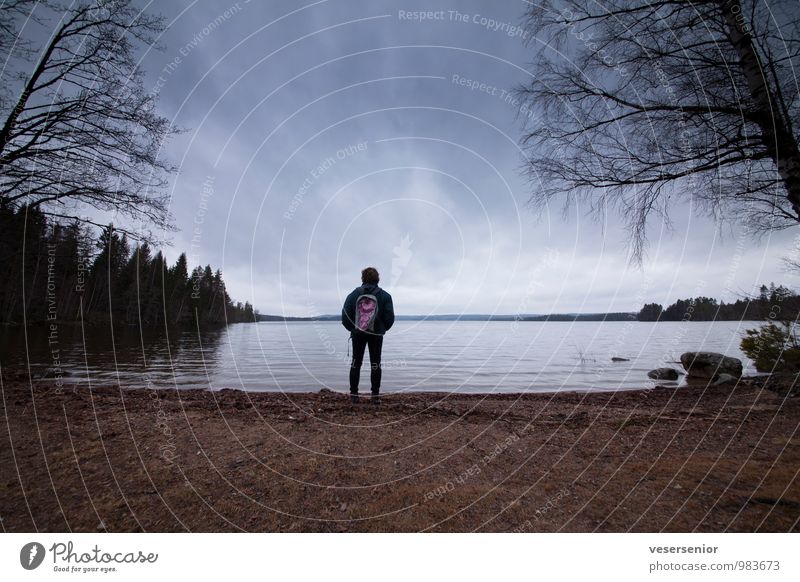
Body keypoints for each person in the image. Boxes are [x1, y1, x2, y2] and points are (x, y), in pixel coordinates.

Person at [341, 267, 395, 406]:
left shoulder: (353, 295)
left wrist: (353, 329)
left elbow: (345, 317)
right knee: (375, 364)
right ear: (377, 278)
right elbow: (390, 318)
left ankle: (354, 395)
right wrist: (382, 329)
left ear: (362, 279)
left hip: (358, 334)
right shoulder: (385, 296)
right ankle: (375, 396)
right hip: (376, 334)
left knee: (355, 364)